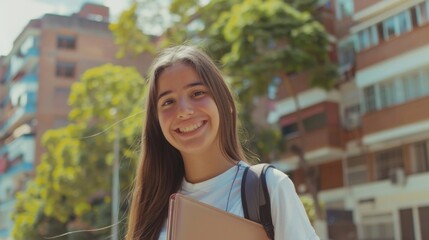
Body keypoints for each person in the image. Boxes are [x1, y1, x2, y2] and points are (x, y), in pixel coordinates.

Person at [126, 45, 319, 240]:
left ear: (226, 104)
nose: (183, 110)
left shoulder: (270, 188)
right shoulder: (153, 208)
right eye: (168, 102)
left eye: (197, 93)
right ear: (157, 122)